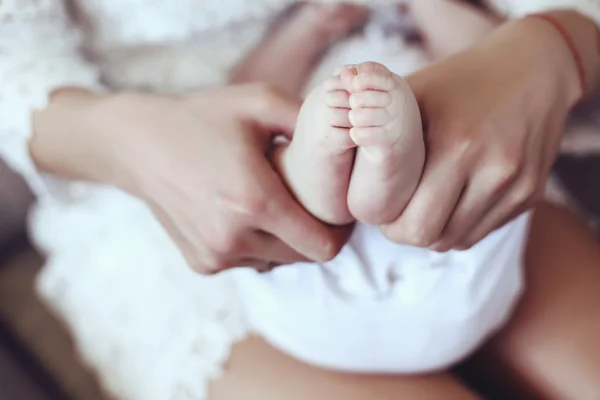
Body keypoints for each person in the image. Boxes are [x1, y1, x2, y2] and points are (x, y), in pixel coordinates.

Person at [2, 1, 600, 400]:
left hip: (458, 168)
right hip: (174, 169)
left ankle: (358, 171)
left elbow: (495, 35)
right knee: (276, 161)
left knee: (402, 159)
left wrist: (541, 52)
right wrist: (311, 27)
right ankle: (340, 173)